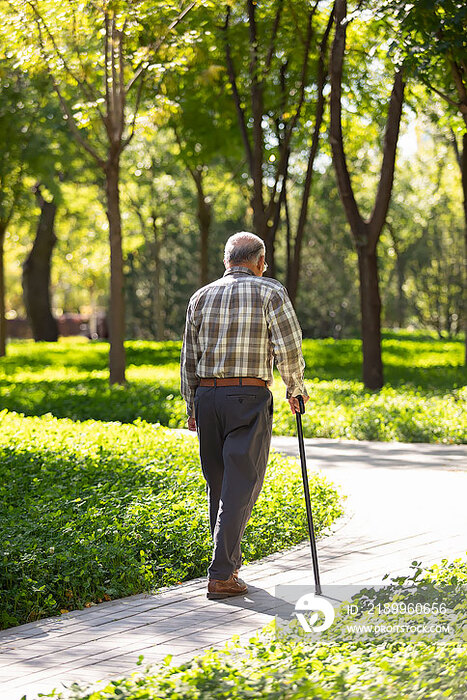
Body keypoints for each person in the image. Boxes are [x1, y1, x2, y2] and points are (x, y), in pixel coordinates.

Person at [180, 231, 309, 600]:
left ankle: (229, 566)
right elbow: (288, 345)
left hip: (208, 396)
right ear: (260, 262)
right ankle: (221, 574)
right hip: (248, 395)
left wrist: (192, 406)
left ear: (226, 261)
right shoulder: (270, 291)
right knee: (243, 482)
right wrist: (294, 387)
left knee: (218, 484)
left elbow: (189, 357)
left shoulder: (200, 297)